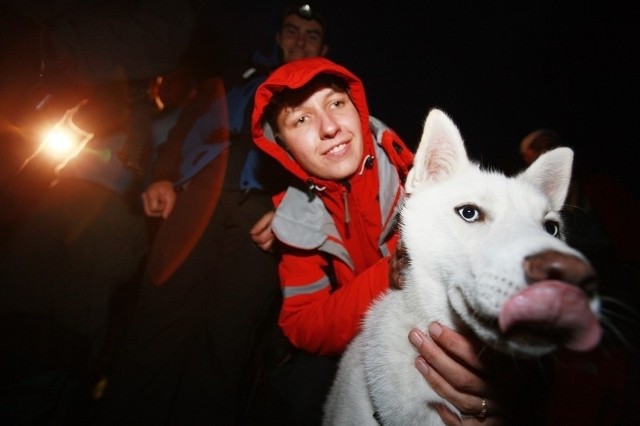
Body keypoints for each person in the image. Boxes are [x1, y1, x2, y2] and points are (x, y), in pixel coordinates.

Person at [92, 3, 331, 425]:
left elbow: (336, 167)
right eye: (291, 30)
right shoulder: (236, 83)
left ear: (324, 46)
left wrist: (296, 212)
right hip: (198, 198)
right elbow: (188, 127)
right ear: (277, 39)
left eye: (310, 35)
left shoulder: (330, 102)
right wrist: (162, 176)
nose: (299, 40)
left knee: (226, 346)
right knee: (156, 329)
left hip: (265, 218)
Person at [249, 56, 521, 425]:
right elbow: (301, 325)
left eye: (336, 103)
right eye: (301, 119)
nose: (329, 127)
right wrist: (390, 273)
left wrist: (495, 401)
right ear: (283, 147)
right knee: (298, 388)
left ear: (357, 108)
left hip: (435, 334)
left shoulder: (429, 184)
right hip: (360, 353)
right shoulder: (296, 220)